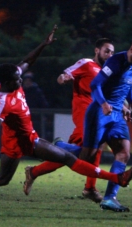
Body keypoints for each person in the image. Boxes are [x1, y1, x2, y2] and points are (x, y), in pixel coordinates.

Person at [0, 26, 132, 208]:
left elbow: (28, 61)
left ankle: (116, 179)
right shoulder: (2, 101)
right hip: (15, 144)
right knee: (3, 179)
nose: (20, 80)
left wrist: (43, 45)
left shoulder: (12, 77)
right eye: (16, 79)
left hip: (30, 139)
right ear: (5, 82)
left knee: (68, 157)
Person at [25, 35, 132, 212]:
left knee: (123, 153)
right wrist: (103, 103)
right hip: (95, 113)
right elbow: (94, 84)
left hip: (114, 115)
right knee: (85, 157)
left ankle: (108, 197)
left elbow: (127, 85)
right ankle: (60, 148)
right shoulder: (110, 63)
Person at [23, 38, 115, 203]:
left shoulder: (106, 72)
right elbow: (66, 74)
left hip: (97, 116)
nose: (109, 55)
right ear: (97, 50)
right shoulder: (87, 63)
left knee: (72, 155)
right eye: (106, 51)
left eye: (112, 52)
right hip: (84, 115)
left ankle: (34, 172)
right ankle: (90, 188)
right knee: (88, 150)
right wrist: (64, 78)